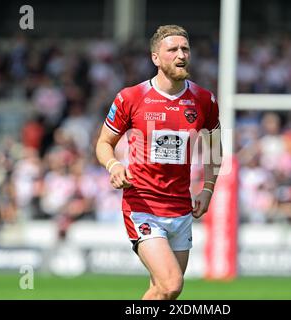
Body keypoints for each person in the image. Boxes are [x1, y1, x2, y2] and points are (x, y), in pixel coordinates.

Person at [95, 25, 222, 300]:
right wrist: (114, 166)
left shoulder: (203, 100)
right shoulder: (131, 97)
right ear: (155, 58)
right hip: (143, 205)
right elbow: (104, 143)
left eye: (185, 49)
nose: (181, 55)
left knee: (163, 293)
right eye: (173, 49)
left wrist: (208, 189)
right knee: (173, 283)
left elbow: (214, 149)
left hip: (180, 207)